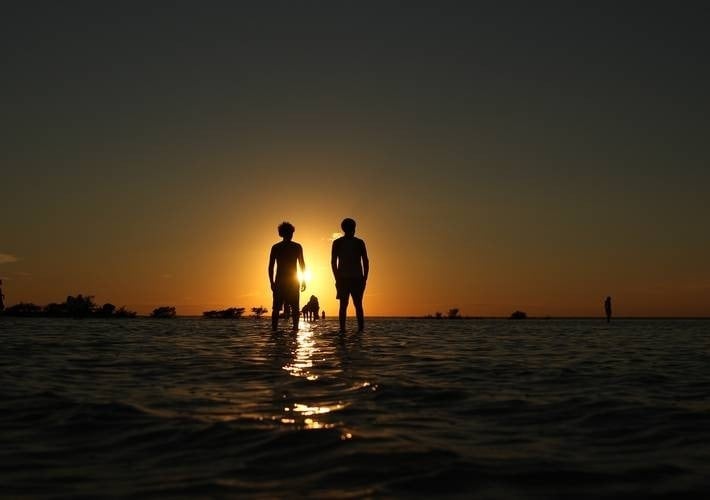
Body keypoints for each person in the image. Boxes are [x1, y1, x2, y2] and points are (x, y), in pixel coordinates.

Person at [331, 217, 369, 333]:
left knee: (346, 305)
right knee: (355, 305)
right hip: (352, 278)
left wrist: (364, 278)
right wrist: (364, 278)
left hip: (350, 278)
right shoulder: (341, 243)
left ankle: (345, 330)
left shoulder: (357, 242)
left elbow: (333, 262)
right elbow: (366, 261)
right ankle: (356, 330)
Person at [268, 222, 306, 331]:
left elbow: (302, 264)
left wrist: (303, 280)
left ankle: (294, 330)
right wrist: (272, 282)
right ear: (283, 233)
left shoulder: (296, 247)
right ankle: (275, 330)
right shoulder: (277, 247)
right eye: (289, 232)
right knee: (277, 308)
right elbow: (270, 266)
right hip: (282, 282)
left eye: (291, 232)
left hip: (290, 281)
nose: (291, 234)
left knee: (294, 308)